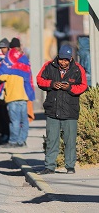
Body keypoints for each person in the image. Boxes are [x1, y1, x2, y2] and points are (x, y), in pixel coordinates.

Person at [36, 45, 88, 175]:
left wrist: (69, 88)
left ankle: (70, 166)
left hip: (70, 112)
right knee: (51, 140)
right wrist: (51, 84)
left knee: (70, 141)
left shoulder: (78, 69)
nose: (63, 62)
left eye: (66, 60)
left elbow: (83, 86)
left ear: (70, 58)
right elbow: (39, 80)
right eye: (61, 59)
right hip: (52, 111)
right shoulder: (48, 66)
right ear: (58, 56)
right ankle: (49, 166)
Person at [0, 38, 35, 148]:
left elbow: (1, 76)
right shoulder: (24, 59)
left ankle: (13, 142)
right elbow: (29, 77)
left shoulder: (8, 59)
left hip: (12, 96)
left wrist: (8, 76)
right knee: (24, 120)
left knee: (14, 121)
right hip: (24, 96)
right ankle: (22, 141)